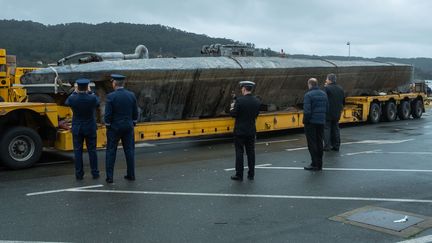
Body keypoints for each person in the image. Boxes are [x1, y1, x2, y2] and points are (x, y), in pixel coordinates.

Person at [104, 74, 138, 183]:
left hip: (114, 127)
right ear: (123, 84)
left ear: (114, 83)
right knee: (129, 151)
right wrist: (133, 122)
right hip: (128, 126)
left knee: (111, 151)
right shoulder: (131, 95)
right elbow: (135, 112)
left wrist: (108, 125)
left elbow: (108, 114)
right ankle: (131, 174)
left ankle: (110, 177)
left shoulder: (111, 96)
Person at [65, 78, 100, 180]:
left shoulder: (72, 98)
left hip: (78, 128)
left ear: (77, 87)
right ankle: (95, 173)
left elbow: (66, 102)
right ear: (87, 87)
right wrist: (90, 92)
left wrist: (75, 92)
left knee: (78, 152)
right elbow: (97, 102)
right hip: (90, 127)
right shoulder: (92, 98)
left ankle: (79, 174)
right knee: (92, 151)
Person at [229, 81, 261, 181]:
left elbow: (234, 114)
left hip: (240, 131)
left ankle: (239, 175)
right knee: (251, 152)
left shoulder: (239, 100)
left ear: (243, 89)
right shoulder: (257, 101)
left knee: (239, 152)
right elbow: (255, 115)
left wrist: (232, 107)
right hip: (251, 130)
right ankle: (251, 174)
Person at [303, 78, 328, 171]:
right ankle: (320, 164)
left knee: (312, 143)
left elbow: (307, 111)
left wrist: (305, 121)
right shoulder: (323, 94)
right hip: (321, 122)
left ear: (309, 84)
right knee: (319, 142)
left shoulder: (308, 95)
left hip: (311, 123)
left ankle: (314, 164)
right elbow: (327, 107)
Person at [323, 73, 345, 152]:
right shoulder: (340, 88)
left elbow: (324, 99)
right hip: (337, 112)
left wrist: (325, 87)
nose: (325, 80)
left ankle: (327, 146)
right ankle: (336, 145)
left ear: (329, 80)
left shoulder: (327, 88)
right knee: (336, 128)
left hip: (328, 112)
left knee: (326, 129)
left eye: (326, 79)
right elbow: (343, 101)